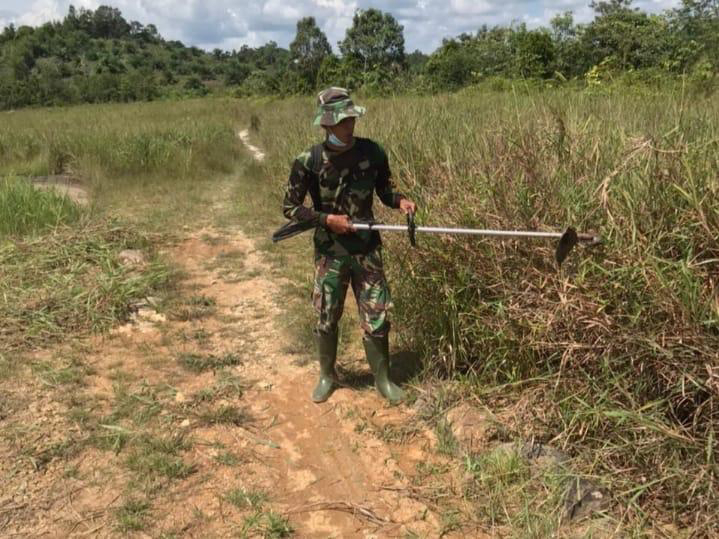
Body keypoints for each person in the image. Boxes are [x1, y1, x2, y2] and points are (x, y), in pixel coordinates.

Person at [282, 87, 417, 404]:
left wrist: (402, 202)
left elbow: (385, 192)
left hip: (367, 250)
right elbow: (290, 207)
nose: (350, 124)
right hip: (331, 254)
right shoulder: (309, 161)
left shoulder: (373, 152)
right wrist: (327, 220)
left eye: (351, 118)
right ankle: (328, 375)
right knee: (327, 314)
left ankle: (382, 379)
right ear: (326, 124)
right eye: (343, 120)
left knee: (377, 314)